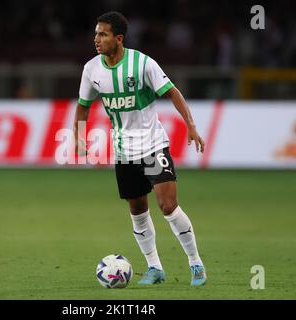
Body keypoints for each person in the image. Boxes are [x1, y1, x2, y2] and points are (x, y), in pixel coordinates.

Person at [73, 11, 207, 286]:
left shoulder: (142, 64)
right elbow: (83, 107)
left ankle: (196, 264)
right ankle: (154, 267)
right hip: (123, 151)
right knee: (138, 210)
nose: (96, 39)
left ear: (118, 38)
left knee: (168, 206)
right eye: (96, 33)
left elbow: (172, 92)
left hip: (153, 145)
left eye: (103, 34)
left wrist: (191, 125)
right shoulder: (91, 70)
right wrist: (79, 135)